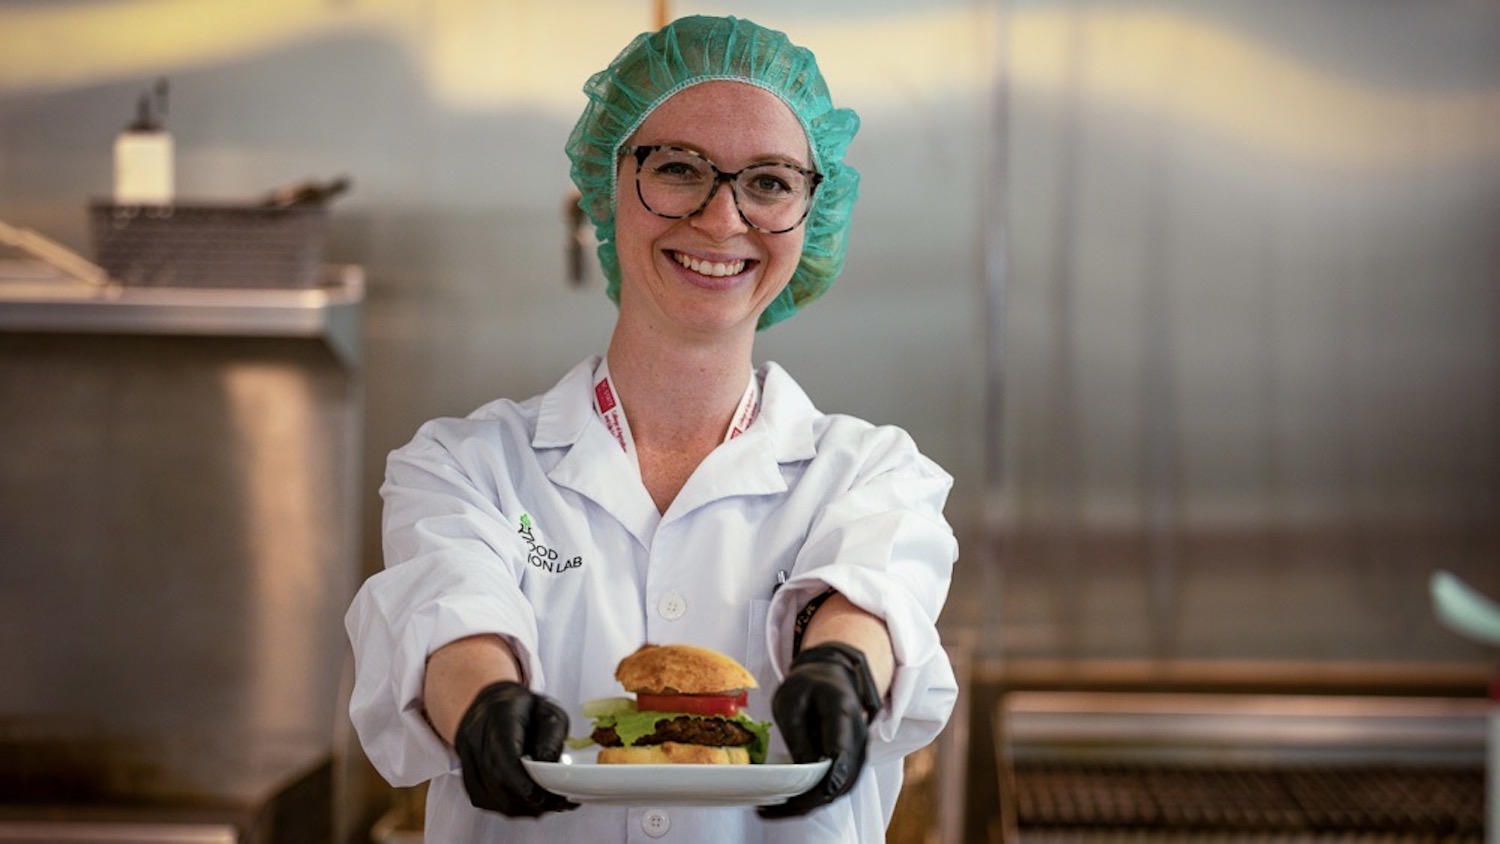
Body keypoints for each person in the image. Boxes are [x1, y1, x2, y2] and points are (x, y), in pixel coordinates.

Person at [345, 14, 958, 843]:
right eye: (678, 168)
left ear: (812, 213)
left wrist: (840, 670)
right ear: (605, 185)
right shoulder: (467, 468)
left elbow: (870, 593)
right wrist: (482, 701)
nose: (721, 218)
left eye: (770, 182)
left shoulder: (871, 474)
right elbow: (453, 610)